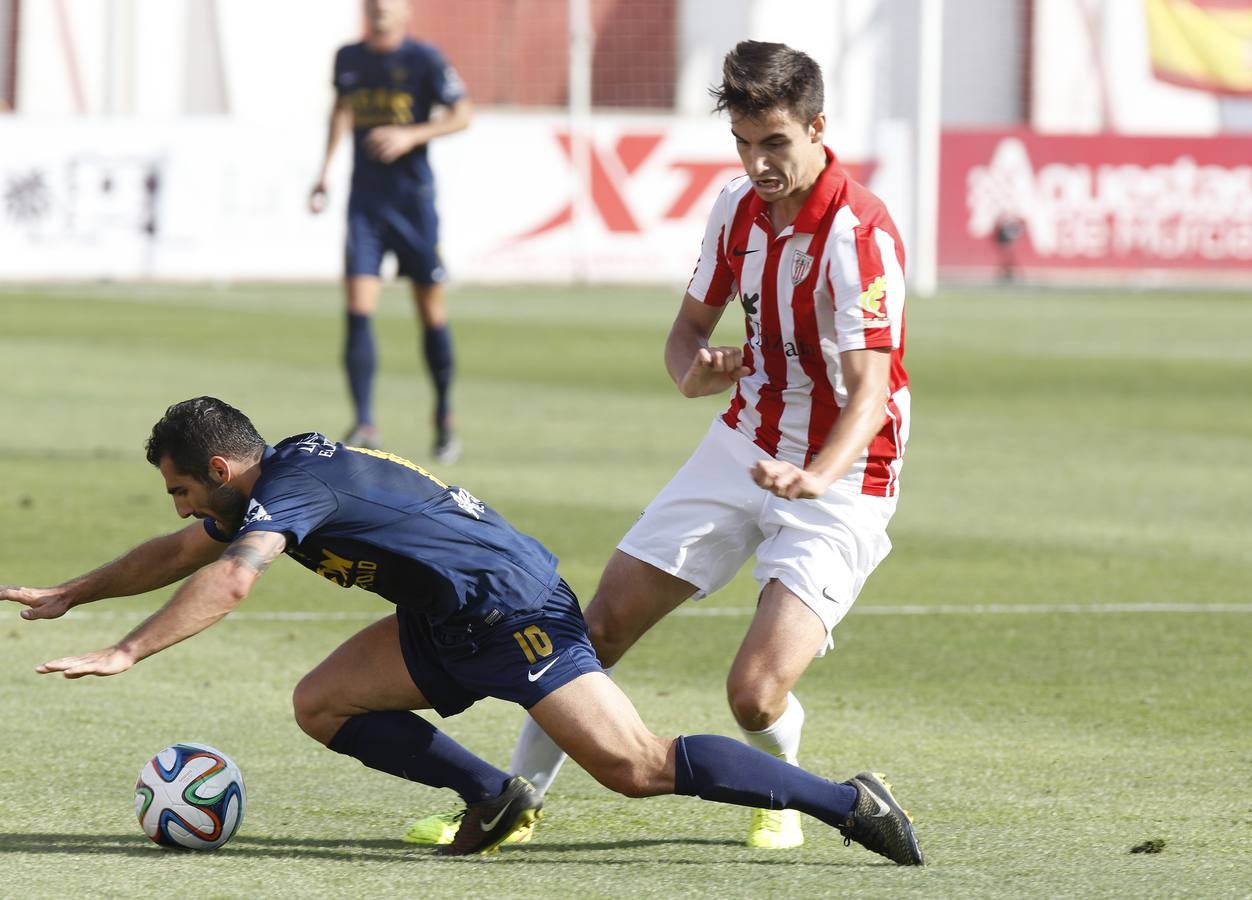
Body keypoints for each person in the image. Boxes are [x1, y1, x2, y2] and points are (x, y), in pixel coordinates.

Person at [1, 397, 923, 865]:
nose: (182, 506)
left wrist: (128, 650)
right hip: (443, 616)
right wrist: (73, 596)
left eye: (182, 486)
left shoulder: (289, 491)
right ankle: (496, 795)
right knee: (321, 702)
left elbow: (234, 580)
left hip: (513, 610)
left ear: (217, 467)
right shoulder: (269, 483)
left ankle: (848, 803)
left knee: (636, 768)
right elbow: (182, 551)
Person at [411, 39, 914, 852]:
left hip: (846, 474)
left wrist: (815, 475)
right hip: (743, 441)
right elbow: (687, 336)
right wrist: (691, 373)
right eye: (745, 145)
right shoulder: (737, 209)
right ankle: (514, 804)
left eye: (776, 143)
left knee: (752, 695)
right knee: (590, 630)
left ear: (820, 127)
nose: (758, 164)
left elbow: (868, 392)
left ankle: (779, 793)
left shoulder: (861, 236)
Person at [309, 0, 473, 463]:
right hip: (366, 204)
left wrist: (411, 135)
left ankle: (443, 416)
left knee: (430, 310)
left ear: (405, 11)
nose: (380, 9)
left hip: (413, 204)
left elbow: (463, 113)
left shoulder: (425, 59)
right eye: (373, 4)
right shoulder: (349, 58)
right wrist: (324, 171)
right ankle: (364, 421)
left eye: (388, 4)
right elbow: (341, 110)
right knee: (358, 307)